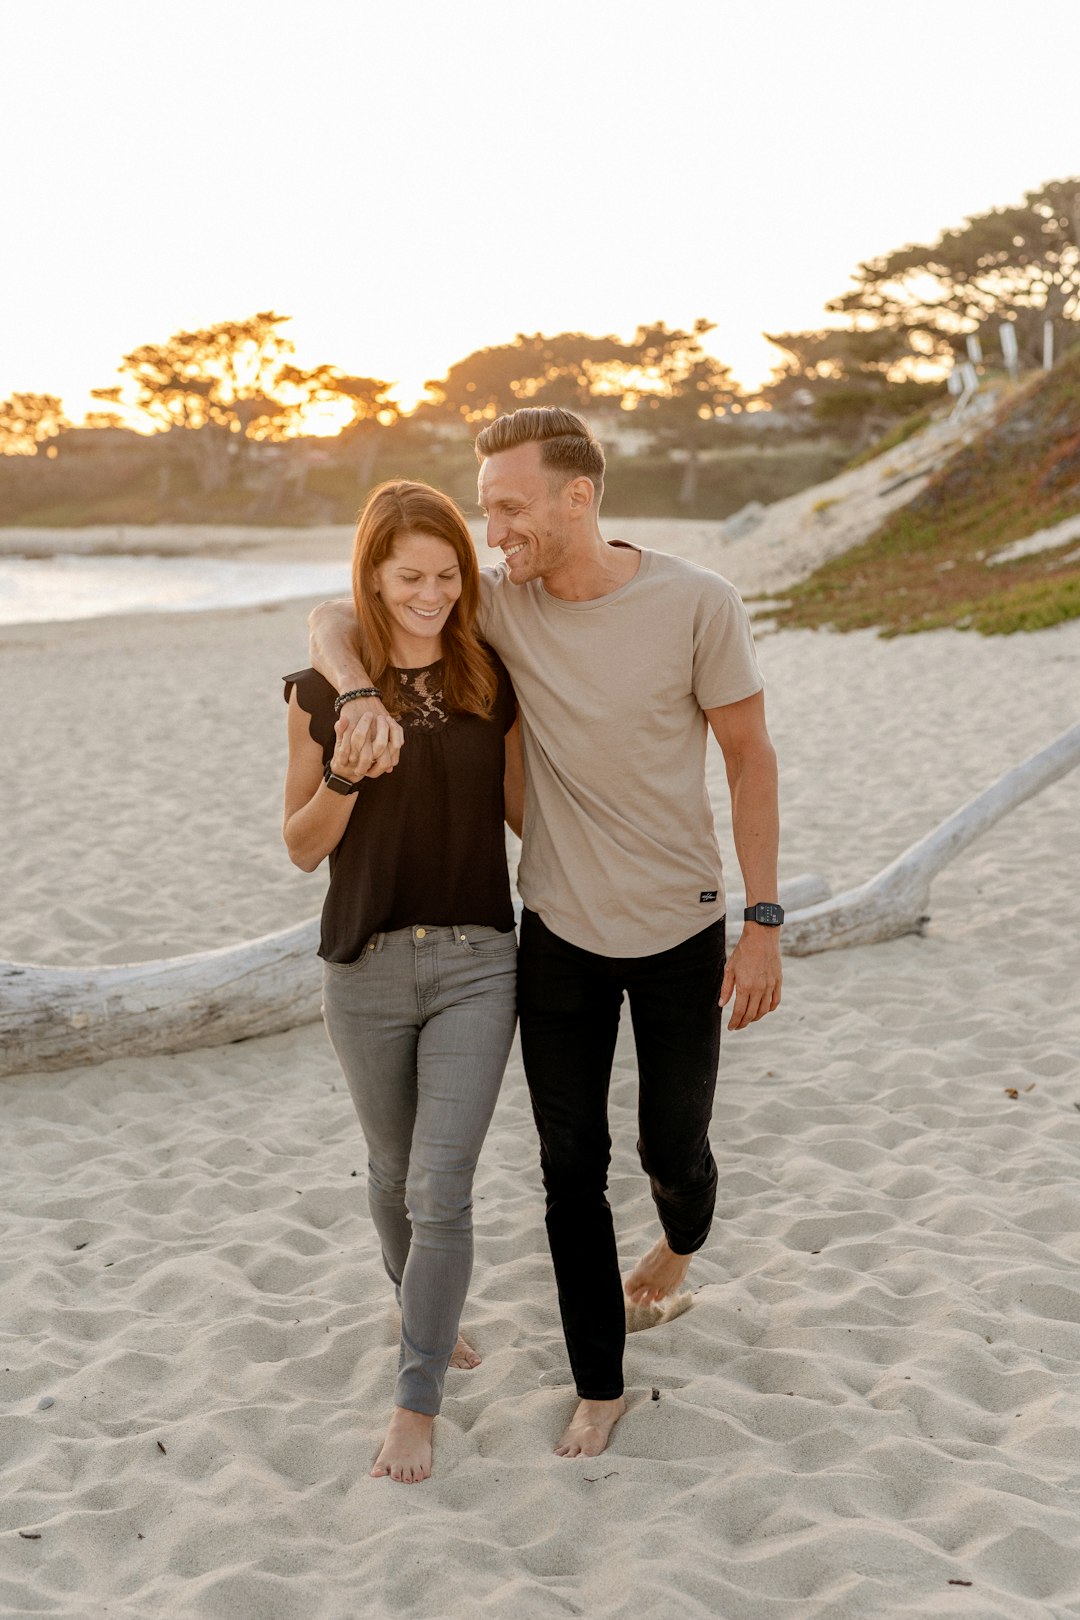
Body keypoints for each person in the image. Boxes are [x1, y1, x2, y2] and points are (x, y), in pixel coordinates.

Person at [308, 408, 782, 1461]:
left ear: (580, 496)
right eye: (487, 510)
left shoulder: (698, 602)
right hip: (558, 930)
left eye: (512, 507)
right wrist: (347, 691)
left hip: (685, 925)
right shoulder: (504, 609)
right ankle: (600, 1381)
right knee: (570, 1166)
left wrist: (763, 919)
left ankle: (681, 1241)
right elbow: (343, 616)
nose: (495, 531)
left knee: (674, 1151)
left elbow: (751, 759)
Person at [283, 480, 522, 1485]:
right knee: (388, 1174)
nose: (431, 593)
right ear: (373, 578)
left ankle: (414, 1399)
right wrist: (343, 767)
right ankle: (417, 1297)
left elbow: (528, 818)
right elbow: (300, 849)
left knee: (440, 1186)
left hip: (477, 960)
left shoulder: (490, 679)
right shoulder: (318, 689)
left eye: (447, 574)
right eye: (410, 575)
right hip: (365, 966)